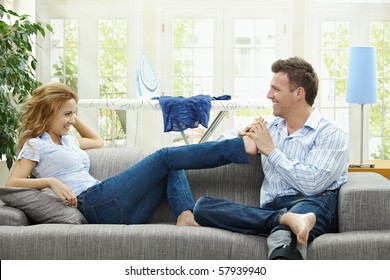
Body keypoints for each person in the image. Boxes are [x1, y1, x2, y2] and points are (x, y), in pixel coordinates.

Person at [5, 81, 259, 226]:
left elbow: (97, 141)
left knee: (172, 163)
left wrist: (68, 111)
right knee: (164, 156)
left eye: (73, 113)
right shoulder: (36, 144)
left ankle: (184, 215)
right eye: (66, 114)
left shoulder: (69, 141)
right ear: (48, 113)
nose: (72, 120)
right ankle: (237, 146)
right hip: (92, 202)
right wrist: (51, 181)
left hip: (117, 212)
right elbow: (12, 183)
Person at [192, 56, 349, 259]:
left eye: (276, 89)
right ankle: (284, 219)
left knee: (287, 234)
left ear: (298, 93)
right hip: (271, 207)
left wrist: (270, 150)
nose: (269, 95)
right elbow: (222, 141)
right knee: (203, 207)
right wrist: (241, 136)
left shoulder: (330, 133)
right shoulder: (271, 128)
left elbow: (312, 184)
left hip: (310, 201)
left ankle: (286, 226)